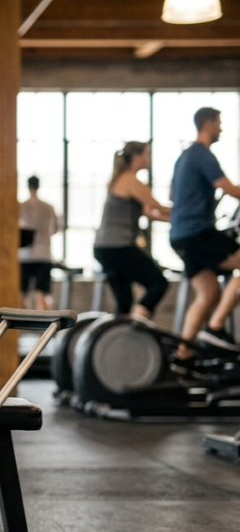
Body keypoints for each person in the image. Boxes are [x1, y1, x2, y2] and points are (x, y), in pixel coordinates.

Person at [169, 107, 240, 361]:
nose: (221, 128)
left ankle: (183, 355)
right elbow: (228, 187)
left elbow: (172, 195)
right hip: (198, 233)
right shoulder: (202, 154)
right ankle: (215, 327)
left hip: (180, 236)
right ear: (207, 123)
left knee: (208, 294)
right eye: (219, 123)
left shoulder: (185, 156)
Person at [93, 141, 172, 319]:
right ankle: (137, 326)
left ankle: (119, 341)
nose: (149, 158)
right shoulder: (131, 180)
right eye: (147, 154)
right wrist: (187, 214)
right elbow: (157, 207)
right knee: (158, 283)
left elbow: (149, 213)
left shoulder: (122, 178)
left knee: (124, 301)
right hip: (118, 247)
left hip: (104, 248)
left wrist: (176, 220)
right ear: (136, 156)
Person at [18, 176, 63, 310]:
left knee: (21, 293)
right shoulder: (48, 207)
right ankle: (46, 327)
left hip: (24, 255)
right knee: (42, 293)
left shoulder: (21, 206)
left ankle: (18, 328)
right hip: (43, 254)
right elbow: (55, 228)